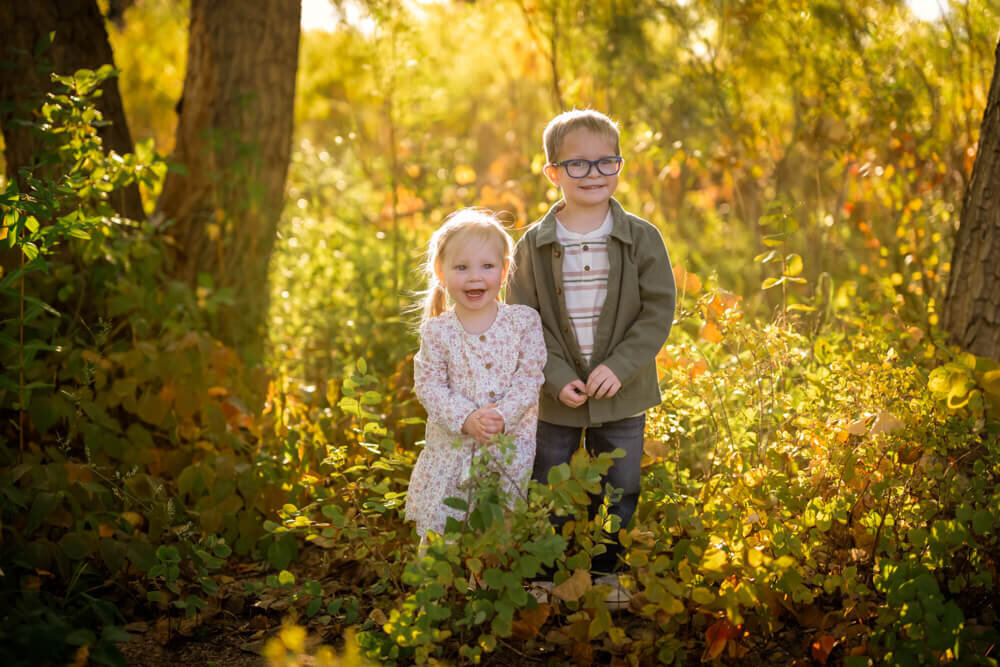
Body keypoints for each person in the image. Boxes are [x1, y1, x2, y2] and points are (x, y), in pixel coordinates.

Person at [507, 109, 676, 604]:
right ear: (553, 172)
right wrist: (556, 375)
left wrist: (619, 367)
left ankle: (607, 573)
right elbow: (524, 318)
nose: (595, 175)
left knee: (620, 487)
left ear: (620, 167)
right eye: (578, 164)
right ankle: (545, 573)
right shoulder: (533, 246)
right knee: (549, 484)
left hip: (622, 391)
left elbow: (657, 312)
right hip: (554, 391)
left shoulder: (641, 237)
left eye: (607, 163)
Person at [405, 208, 547, 541]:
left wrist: (502, 415)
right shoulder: (438, 332)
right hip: (452, 450)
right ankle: (435, 587)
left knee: (497, 524)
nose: (474, 277)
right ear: (441, 272)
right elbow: (429, 386)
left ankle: (483, 587)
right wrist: (467, 418)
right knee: (443, 521)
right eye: (461, 267)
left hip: (507, 447)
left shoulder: (523, 323)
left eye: (487, 266)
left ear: (504, 269)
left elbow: (530, 379)